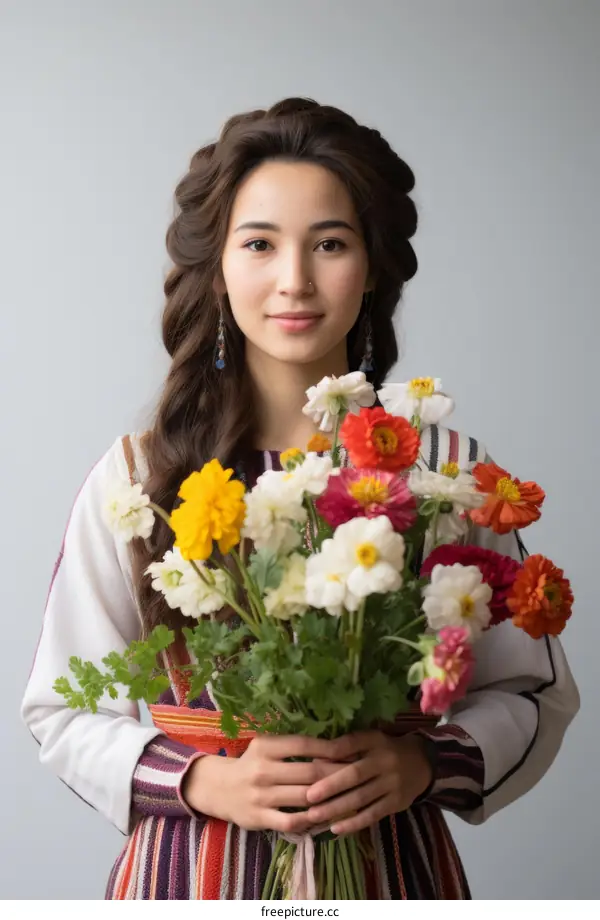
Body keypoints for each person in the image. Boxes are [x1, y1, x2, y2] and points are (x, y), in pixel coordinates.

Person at [21, 97, 580, 900]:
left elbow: (531, 690)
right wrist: (203, 782)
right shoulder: (139, 479)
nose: (294, 280)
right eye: (259, 244)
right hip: (187, 878)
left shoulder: (444, 472)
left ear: (373, 266)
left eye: (330, 244)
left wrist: (423, 764)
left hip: (392, 871)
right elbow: (58, 710)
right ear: (218, 266)